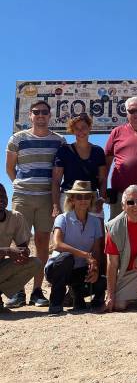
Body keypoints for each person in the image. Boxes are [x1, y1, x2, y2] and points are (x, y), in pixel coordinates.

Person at [5, 100, 66, 308]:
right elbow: (10, 169)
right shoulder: (17, 139)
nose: (40, 115)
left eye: (44, 112)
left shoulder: (60, 141)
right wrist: (21, 186)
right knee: (19, 243)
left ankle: (37, 291)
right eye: (36, 112)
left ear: (50, 116)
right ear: (29, 116)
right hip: (22, 196)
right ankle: (18, 291)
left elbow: (60, 170)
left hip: (47, 197)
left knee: (41, 243)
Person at [45, 181, 106, 315]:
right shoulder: (62, 218)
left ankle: (79, 296)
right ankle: (55, 303)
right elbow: (57, 244)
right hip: (57, 269)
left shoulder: (95, 222)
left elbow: (96, 250)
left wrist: (94, 267)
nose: (83, 200)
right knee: (67, 258)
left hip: (79, 270)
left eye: (87, 196)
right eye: (79, 197)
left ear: (91, 199)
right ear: (72, 199)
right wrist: (85, 255)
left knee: (102, 280)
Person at [52, 113, 107, 219]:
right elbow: (56, 181)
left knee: (97, 234)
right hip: (69, 198)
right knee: (68, 235)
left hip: (92, 198)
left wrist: (101, 200)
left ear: (89, 128)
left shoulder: (98, 151)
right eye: (76, 128)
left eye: (84, 127)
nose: (80, 131)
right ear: (72, 130)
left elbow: (103, 179)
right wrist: (56, 206)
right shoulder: (64, 150)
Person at [0, 183, 41, 311]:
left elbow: (22, 246)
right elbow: (9, 251)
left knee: (34, 263)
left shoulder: (15, 217)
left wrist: (24, 253)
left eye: (3, 195)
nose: (1, 199)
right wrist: (7, 251)